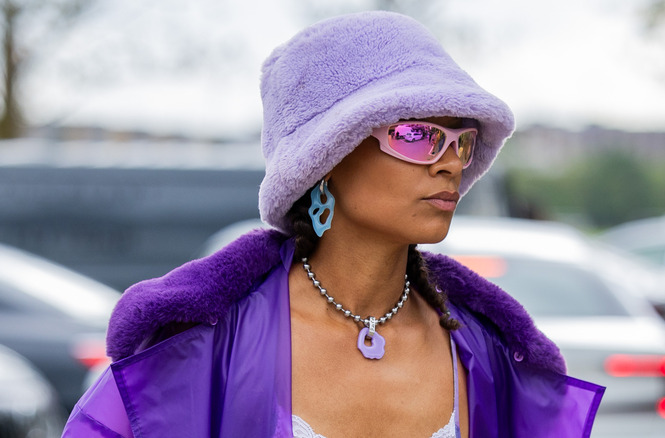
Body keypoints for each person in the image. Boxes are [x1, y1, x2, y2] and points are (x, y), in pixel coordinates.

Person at [62, 11, 603, 438]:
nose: (451, 162)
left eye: (460, 140)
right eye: (416, 134)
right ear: (326, 159)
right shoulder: (196, 350)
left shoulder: (489, 355)